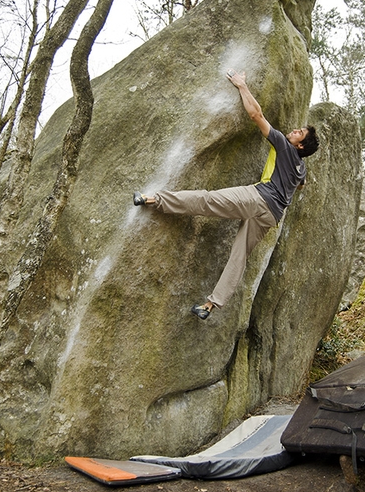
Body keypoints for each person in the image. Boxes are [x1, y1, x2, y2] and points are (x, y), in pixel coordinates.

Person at [133, 70, 319, 320]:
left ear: (299, 146)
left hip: (258, 198)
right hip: (272, 216)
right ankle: (210, 305)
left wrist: (242, 85)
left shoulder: (284, 146)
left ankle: (155, 199)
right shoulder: (302, 168)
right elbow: (302, 185)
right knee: (239, 256)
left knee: (207, 201)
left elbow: (256, 114)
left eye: (299, 133)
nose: (294, 130)